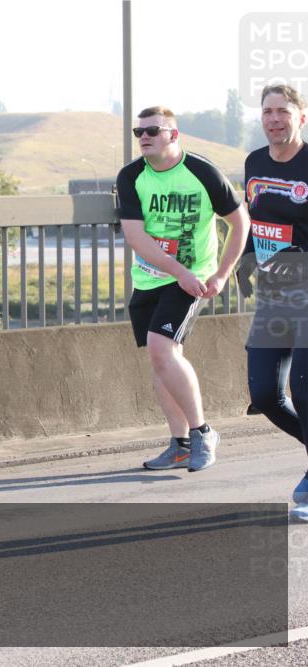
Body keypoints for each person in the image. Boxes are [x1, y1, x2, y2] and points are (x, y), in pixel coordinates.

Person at [117, 106, 250, 472]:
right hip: (151, 277)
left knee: (163, 349)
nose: (144, 137)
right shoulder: (131, 176)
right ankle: (179, 444)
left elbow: (240, 223)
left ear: (173, 135)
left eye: (153, 131)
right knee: (160, 361)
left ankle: (203, 432)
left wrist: (221, 274)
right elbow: (135, 236)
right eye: (138, 132)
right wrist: (174, 271)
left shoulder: (201, 171)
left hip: (193, 277)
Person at [239, 85, 308, 520]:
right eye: (267, 111)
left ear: (301, 117)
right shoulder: (254, 162)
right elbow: (255, 218)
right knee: (265, 392)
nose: (274, 119)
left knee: (303, 389)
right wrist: (246, 261)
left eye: (283, 111)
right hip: (273, 293)